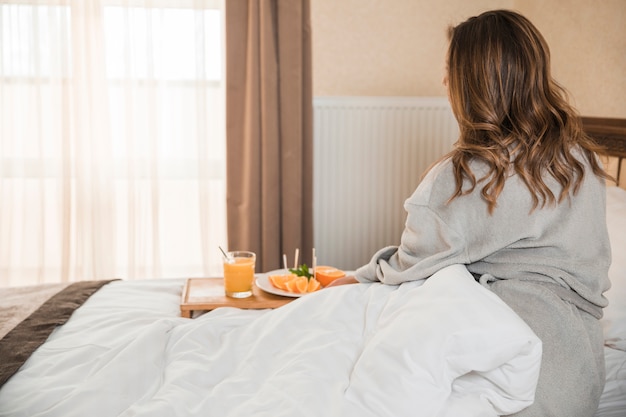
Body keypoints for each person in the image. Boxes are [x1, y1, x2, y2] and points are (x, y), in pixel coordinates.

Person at [328, 9, 612, 417]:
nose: (443, 81)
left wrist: (355, 278)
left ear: (472, 85)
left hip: (511, 371)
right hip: (579, 376)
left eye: (449, 71)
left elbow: (410, 265)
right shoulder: (581, 161)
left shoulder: (464, 176)